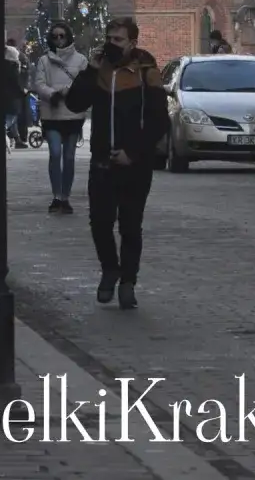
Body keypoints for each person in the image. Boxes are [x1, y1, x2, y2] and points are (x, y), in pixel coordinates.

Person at [64, 16, 168, 311]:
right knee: (100, 222)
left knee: (131, 226)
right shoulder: (100, 68)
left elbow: (158, 120)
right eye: (109, 38)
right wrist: (89, 71)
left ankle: (128, 282)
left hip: (135, 163)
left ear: (132, 43)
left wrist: (133, 152)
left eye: (118, 40)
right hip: (102, 160)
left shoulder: (146, 70)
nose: (111, 44)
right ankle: (110, 268)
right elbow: (75, 104)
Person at [32, 19, 89, 215]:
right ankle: (56, 196)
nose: (58, 39)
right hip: (52, 113)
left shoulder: (80, 60)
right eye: (54, 36)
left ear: (68, 37)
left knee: (70, 156)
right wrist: (55, 94)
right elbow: (38, 84)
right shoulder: (44, 61)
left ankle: (66, 196)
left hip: (73, 114)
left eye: (62, 36)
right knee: (55, 153)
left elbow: (85, 84)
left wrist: (70, 93)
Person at [2, 40, 26, 150]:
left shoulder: (3, 66)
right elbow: (16, 83)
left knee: (10, 120)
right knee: (10, 119)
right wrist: (23, 91)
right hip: (12, 99)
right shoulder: (13, 67)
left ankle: (17, 139)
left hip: (5, 98)